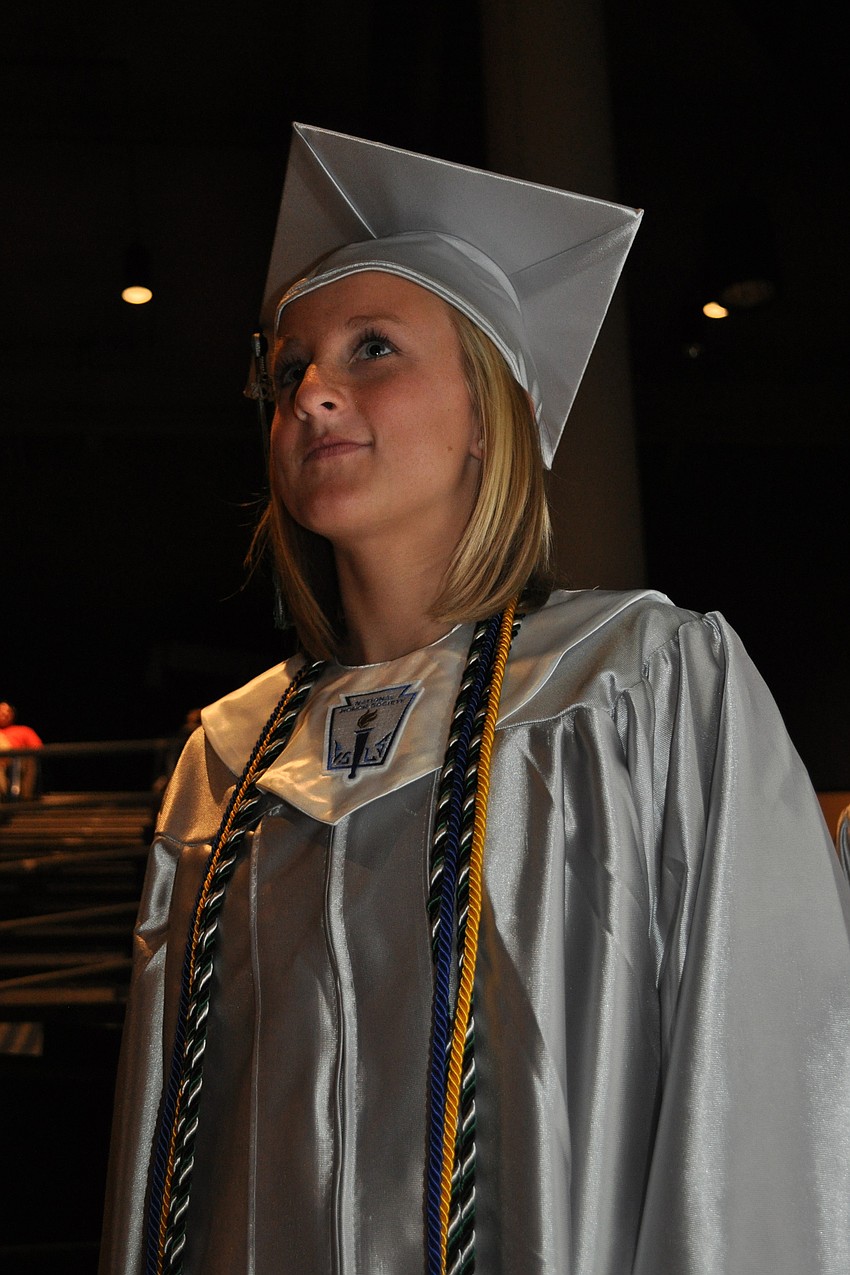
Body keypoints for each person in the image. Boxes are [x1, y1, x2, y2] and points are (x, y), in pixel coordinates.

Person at [99, 125, 850, 1275]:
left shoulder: (640, 687)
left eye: (372, 351)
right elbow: (164, 1158)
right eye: (289, 365)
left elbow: (759, 1083)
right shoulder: (228, 760)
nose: (311, 394)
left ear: (486, 413)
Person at [0, 700, 43, 799]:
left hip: (18, 762)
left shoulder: (24, 730)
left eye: (7, 711)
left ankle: (20, 797)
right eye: (0, 710)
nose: (4, 713)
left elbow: (38, 750)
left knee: (25, 760)